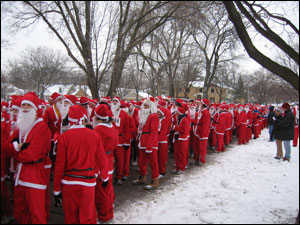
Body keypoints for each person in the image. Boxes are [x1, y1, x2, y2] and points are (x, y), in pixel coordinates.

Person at [53, 105, 109, 224]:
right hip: (87, 183)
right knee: (87, 216)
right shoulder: (94, 135)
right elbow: (102, 159)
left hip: (69, 183)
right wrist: (105, 177)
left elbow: (59, 166)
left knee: (71, 217)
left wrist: (56, 189)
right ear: (83, 119)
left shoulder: (64, 138)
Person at [5, 93, 51, 224]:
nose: (24, 108)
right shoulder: (20, 127)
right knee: (20, 211)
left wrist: (15, 151)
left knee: (37, 213)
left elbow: (31, 155)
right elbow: (6, 148)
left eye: (28, 105)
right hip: (20, 177)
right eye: (23, 105)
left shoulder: (42, 128)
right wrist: (18, 147)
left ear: (35, 109)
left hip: (34, 177)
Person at [93, 104, 118, 223]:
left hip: (101, 162)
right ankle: (110, 212)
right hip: (109, 159)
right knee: (108, 188)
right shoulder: (112, 126)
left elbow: (95, 147)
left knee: (101, 190)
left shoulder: (98, 129)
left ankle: (103, 216)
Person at [132, 97, 160, 190]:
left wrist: (150, 145)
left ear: (151, 107)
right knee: (142, 161)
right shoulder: (143, 118)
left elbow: (154, 132)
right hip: (143, 141)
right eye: (144, 105)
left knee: (153, 162)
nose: (145, 107)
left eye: (147, 105)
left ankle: (155, 180)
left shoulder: (154, 116)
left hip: (150, 143)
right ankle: (142, 177)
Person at [111, 97, 131, 185]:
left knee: (120, 160)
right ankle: (109, 177)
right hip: (110, 140)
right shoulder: (108, 113)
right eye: (113, 101)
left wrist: (126, 141)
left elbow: (127, 129)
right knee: (109, 160)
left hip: (120, 140)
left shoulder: (124, 114)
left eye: (116, 101)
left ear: (119, 103)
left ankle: (119, 176)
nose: (114, 103)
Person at [192, 99, 210, 165]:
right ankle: (196, 159)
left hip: (202, 134)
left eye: (201, 103)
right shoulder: (201, 112)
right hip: (197, 132)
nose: (199, 104)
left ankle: (202, 160)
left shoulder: (206, 113)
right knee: (196, 147)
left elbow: (205, 125)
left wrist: (202, 135)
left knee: (202, 148)